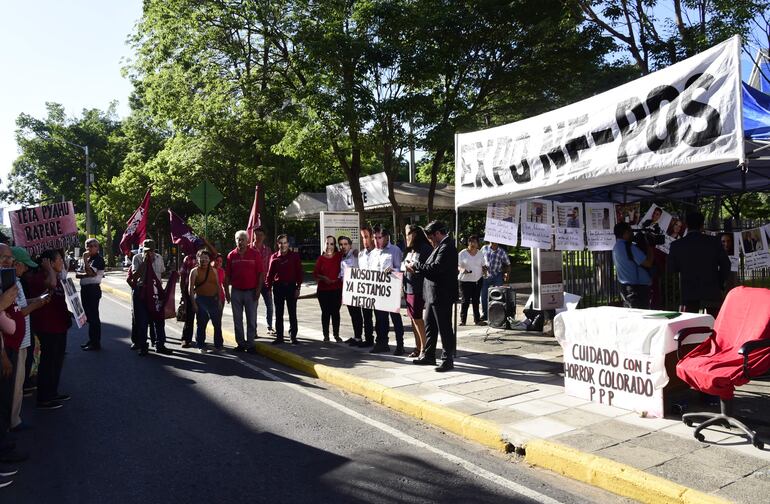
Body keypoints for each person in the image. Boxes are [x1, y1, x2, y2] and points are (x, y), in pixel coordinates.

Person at [407, 221, 458, 372]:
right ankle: (429, 355)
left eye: (430, 237)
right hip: (431, 294)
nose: (430, 241)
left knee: (444, 328)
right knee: (430, 326)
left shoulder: (447, 247)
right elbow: (430, 267)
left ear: (437, 234)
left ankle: (447, 359)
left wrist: (417, 266)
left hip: (442, 294)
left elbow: (436, 268)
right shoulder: (439, 247)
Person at [27, 249, 72, 408]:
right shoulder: (41, 277)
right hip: (47, 327)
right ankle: (44, 397)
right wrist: (49, 270)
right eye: (59, 259)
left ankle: (53, 392)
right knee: (48, 362)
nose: (62, 262)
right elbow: (51, 285)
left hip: (59, 326)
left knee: (57, 361)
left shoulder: (57, 276)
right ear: (50, 263)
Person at [667, 212, 731, 316]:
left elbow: (672, 268)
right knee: (714, 324)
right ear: (702, 225)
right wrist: (719, 283)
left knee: (690, 326)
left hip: (689, 291)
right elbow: (726, 265)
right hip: (711, 290)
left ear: (686, 225)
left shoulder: (676, 245)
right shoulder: (714, 242)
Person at [128, 239, 173, 356]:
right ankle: (143, 346)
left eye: (151, 251)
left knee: (159, 320)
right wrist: (145, 263)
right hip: (141, 293)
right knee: (142, 321)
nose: (150, 253)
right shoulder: (137, 258)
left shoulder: (159, 258)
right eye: (147, 251)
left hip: (155, 293)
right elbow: (134, 275)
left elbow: (162, 272)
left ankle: (160, 344)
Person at [224, 230, 264, 353]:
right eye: (238, 239)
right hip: (236, 292)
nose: (240, 242)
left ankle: (251, 344)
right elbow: (227, 276)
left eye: (242, 239)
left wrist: (258, 290)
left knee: (251, 319)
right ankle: (240, 343)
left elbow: (261, 273)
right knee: (237, 319)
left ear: (247, 241)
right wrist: (227, 293)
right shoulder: (231, 255)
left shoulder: (255, 254)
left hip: (251, 292)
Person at [370, 226, 404, 355]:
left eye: (379, 237)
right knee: (380, 319)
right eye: (375, 238)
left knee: (395, 318)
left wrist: (392, 271)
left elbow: (400, 269)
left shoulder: (395, 250)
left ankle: (400, 345)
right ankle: (382, 343)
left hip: (391, 289)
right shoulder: (373, 252)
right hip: (377, 290)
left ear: (386, 237)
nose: (377, 240)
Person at [265, 234, 303, 345]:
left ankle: (293, 336)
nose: (283, 245)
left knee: (292, 312)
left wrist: (298, 287)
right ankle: (280, 337)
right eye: (280, 243)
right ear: (278, 244)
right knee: (279, 313)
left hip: (291, 287)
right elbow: (270, 274)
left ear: (288, 244)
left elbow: (299, 272)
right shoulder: (274, 257)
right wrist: (268, 287)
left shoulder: (294, 256)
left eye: (285, 242)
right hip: (278, 287)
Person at [403, 225, 432, 358]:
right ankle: (417, 346)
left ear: (415, 234)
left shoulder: (425, 249)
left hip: (418, 288)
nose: (406, 236)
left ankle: (424, 349)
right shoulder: (410, 250)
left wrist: (415, 270)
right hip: (408, 287)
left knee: (418, 318)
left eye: (408, 233)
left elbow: (428, 268)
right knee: (413, 319)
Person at [612, 222, 653, 309]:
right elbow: (648, 263)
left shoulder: (616, 247)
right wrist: (650, 247)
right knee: (641, 317)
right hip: (637, 290)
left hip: (627, 289)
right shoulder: (629, 247)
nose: (632, 234)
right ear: (626, 233)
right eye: (630, 231)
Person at [189, 249, 224, 353]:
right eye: (201, 258)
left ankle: (218, 345)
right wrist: (194, 303)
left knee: (217, 323)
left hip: (213, 299)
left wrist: (219, 301)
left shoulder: (214, 270)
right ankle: (201, 344)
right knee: (202, 322)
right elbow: (190, 289)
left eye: (206, 258)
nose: (204, 260)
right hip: (200, 299)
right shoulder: (194, 271)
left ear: (209, 260)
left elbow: (218, 285)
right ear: (197, 259)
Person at [76, 238, 105, 351]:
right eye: (88, 245)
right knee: (89, 316)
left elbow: (91, 273)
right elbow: (78, 274)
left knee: (93, 316)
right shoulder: (90, 259)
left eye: (93, 246)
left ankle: (95, 342)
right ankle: (92, 340)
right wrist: (84, 274)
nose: (90, 248)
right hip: (86, 289)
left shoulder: (98, 259)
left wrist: (84, 260)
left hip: (92, 290)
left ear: (97, 248)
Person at [313, 236, 343, 342]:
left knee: (336, 312)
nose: (329, 246)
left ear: (335, 246)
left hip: (337, 289)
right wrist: (323, 278)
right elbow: (315, 273)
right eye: (327, 243)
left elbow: (349, 252)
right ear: (324, 244)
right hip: (323, 290)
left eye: (332, 244)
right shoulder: (321, 258)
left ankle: (336, 334)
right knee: (325, 313)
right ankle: (326, 335)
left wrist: (355, 251)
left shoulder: (339, 256)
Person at [338, 235, 363, 345]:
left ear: (350, 245)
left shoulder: (356, 255)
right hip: (346, 288)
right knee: (352, 314)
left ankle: (359, 338)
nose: (343, 246)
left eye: (345, 244)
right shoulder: (342, 256)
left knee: (357, 314)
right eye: (341, 244)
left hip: (356, 289)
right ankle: (356, 336)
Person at [355, 226, 377, 348]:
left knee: (379, 317)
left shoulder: (378, 253)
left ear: (372, 238)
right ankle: (368, 339)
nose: (365, 240)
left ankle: (381, 340)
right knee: (366, 316)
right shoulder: (360, 255)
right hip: (365, 291)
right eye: (362, 237)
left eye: (366, 237)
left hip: (377, 290)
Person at [480, 241, 510, 322]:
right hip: (485, 275)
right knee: (483, 295)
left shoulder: (502, 251)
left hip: (497, 275)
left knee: (498, 295)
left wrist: (507, 273)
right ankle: (485, 314)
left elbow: (508, 264)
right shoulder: (484, 248)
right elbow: (479, 259)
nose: (493, 242)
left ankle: (498, 314)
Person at [252, 227, 274, 335]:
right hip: (253, 283)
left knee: (269, 305)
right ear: (253, 235)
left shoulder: (268, 250)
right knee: (253, 307)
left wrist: (271, 280)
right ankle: (253, 329)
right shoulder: (249, 249)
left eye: (261, 235)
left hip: (265, 282)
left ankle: (270, 326)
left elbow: (271, 266)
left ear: (264, 237)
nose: (259, 237)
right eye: (257, 234)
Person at [458, 235, 484, 326]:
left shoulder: (480, 253)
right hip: (465, 281)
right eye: (471, 242)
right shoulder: (462, 253)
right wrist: (462, 270)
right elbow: (458, 265)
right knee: (465, 301)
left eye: (475, 242)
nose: (473, 244)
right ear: (468, 243)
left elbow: (483, 265)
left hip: (477, 280)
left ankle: (477, 320)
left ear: (478, 244)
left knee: (476, 300)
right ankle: (463, 320)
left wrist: (485, 270)